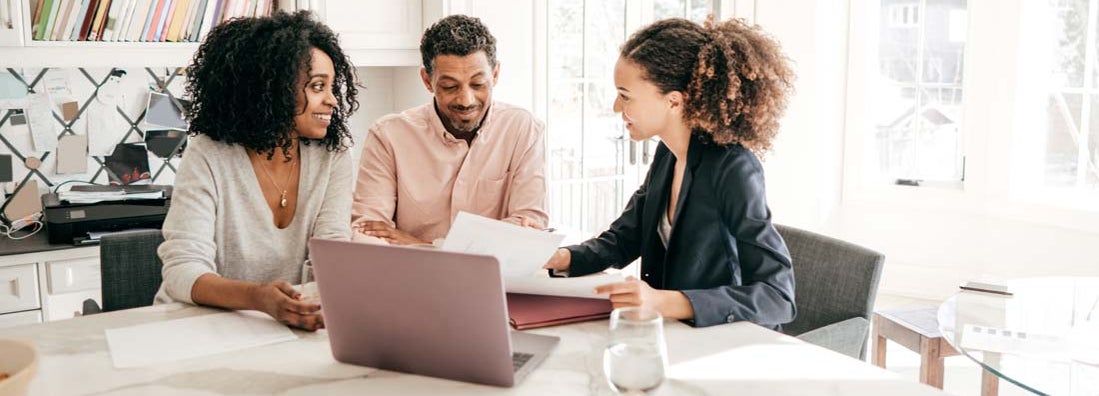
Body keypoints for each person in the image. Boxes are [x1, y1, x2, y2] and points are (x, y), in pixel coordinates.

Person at [543, 17, 797, 329]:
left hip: (726, 338)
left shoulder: (733, 168)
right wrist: (558, 257)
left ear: (674, 101)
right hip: (674, 334)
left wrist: (663, 302)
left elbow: (778, 297)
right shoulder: (668, 153)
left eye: (625, 95)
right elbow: (625, 239)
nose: (615, 107)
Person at [155, 11, 359, 331]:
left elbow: (332, 256)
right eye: (318, 86)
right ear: (274, 88)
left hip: (286, 325)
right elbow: (182, 271)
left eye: (332, 87)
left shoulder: (333, 156)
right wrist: (257, 298)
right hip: (199, 326)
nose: (332, 100)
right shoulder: (208, 154)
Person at [352, 15, 547, 245]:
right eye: (450, 87)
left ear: (495, 75)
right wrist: (490, 241)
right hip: (415, 272)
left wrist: (423, 245)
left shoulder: (524, 129)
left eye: (478, 84)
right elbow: (368, 233)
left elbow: (529, 229)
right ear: (427, 80)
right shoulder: (387, 136)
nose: (466, 100)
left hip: (480, 273)